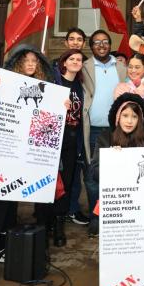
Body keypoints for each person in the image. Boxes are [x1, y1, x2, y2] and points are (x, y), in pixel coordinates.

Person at [0, 44, 55, 286]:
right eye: (26, 60)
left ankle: (2, 247)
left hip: (28, 154)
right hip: (4, 152)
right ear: (17, 63)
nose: (31, 64)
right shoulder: (4, 83)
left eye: (35, 61)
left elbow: (48, 120)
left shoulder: (46, 90)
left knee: (12, 205)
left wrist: (59, 110)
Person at [38, 48, 86, 246]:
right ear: (64, 62)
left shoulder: (81, 86)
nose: (76, 62)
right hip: (52, 138)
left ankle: (59, 225)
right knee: (48, 182)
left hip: (72, 140)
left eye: (79, 59)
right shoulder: (54, 82)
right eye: (72, 59)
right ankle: (44, 222)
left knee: (65, 184)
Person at [82, 30, 127, 236]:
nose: (101, 45)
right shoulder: (84, 67)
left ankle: (118, 216)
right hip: (92, 129)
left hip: (118, 129)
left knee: (120, 172)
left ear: (110, 44)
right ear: (91, 46)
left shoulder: (121, 67)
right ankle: (96, 216)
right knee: (93, 174)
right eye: (97, 42)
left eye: (105, 42)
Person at [90, 93, 144, 188]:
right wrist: (111, 161)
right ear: (118, 117)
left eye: (134, 116)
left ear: (140, 119)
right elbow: (94, 173)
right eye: (125, 115)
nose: (129, 121)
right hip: (116, 193)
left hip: (143, 191)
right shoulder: (105, 137)